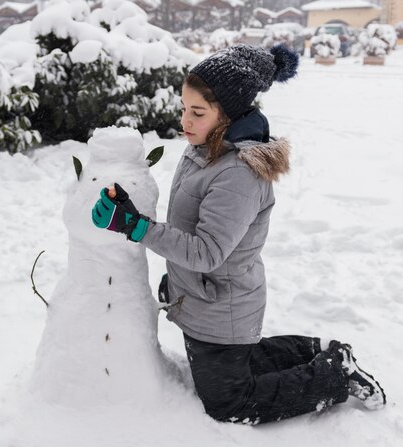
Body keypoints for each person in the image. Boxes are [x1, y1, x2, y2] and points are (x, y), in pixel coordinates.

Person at [91, 44, 386, 425]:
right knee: (237, 361)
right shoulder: (205, 147)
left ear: (227, 116)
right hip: (203, 298)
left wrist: (135, 227)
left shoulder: (238, 172)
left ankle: (335, 377)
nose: (186, 120)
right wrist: (133, 214)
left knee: (229, 403)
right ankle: (319, 349)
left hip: (221, 306)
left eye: (197, 112)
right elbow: (189, 224)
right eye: (184, 108)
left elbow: (207, 252)